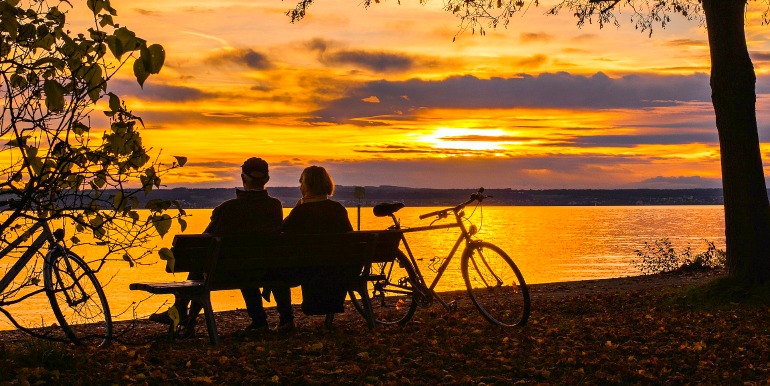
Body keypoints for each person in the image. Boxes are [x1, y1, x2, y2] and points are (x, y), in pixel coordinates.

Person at [150, 157, 293, 334]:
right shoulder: (275, 206)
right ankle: (258, 321)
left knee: (202, 261)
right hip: (266, 270)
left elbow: (204, 242)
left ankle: (185, 316)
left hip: (230, 272)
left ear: (243, 178)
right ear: (267, 179)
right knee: (228, 263)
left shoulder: (228, 208)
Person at [282, 166, 354, 316]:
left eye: (301, 182)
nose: (300, 186)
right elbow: (350, 238)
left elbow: (282, 232)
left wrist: (297, 207)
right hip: (338, 269)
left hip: (308, 269)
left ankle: (286, 319)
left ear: (307, 185)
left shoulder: (301, 212)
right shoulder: (338, 209)